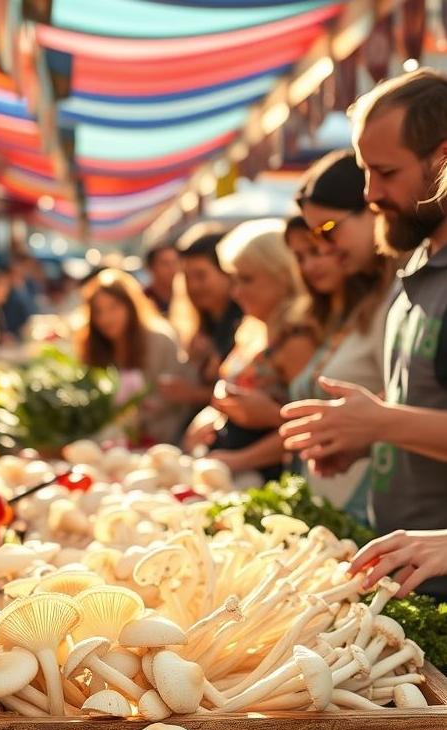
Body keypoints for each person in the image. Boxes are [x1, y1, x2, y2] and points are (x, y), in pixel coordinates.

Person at [280, 68, 447, 600]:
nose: (370, 193)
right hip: (406, 577)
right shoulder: (417, 267)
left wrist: (383, 421)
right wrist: (370, 434)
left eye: (386, 172)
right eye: (365, 171)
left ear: (443, 157)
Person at [285, 151, 397, 525]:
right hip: (350, 506)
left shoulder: (400, 296)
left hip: (380, 513)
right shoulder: (364, 303)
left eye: (328, 230)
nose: (325, 250)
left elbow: (404, 407)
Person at [185, 219, 317, 481]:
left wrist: (237, 460)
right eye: (233, 280)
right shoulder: (253, 327)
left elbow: (308, 428)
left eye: (246, 280)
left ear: (282, 276)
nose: (236, 292)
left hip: (262, 480)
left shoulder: (296, 340)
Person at [79, 268, 190, 444]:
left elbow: (174, 394)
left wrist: (139, 417)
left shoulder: (160, 340)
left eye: (113, 307)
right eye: (98, 311)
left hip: (161, 439)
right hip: (111, 443)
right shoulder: (95, 347)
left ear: (130, 305)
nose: (105, 318)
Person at [160, 228, 252, 411]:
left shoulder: (246, 322)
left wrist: (194, 393)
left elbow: (248, 397)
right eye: (187, 277)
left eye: (201, 276)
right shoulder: (203, 325)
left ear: (227, 273)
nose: (193, 286)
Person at [0, 251, 39, 342]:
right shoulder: (4, 283)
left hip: (23, 330)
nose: (28, 269)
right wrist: (3, 332)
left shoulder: (29, 284)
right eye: (26, 266)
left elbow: (32, 307)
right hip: (8, 333)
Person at [144, 242, 180, 315]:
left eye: (175, 262)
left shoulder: (190, 296)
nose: (172, 269)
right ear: (150, 268)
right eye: (165, 264)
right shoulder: (143, 300)